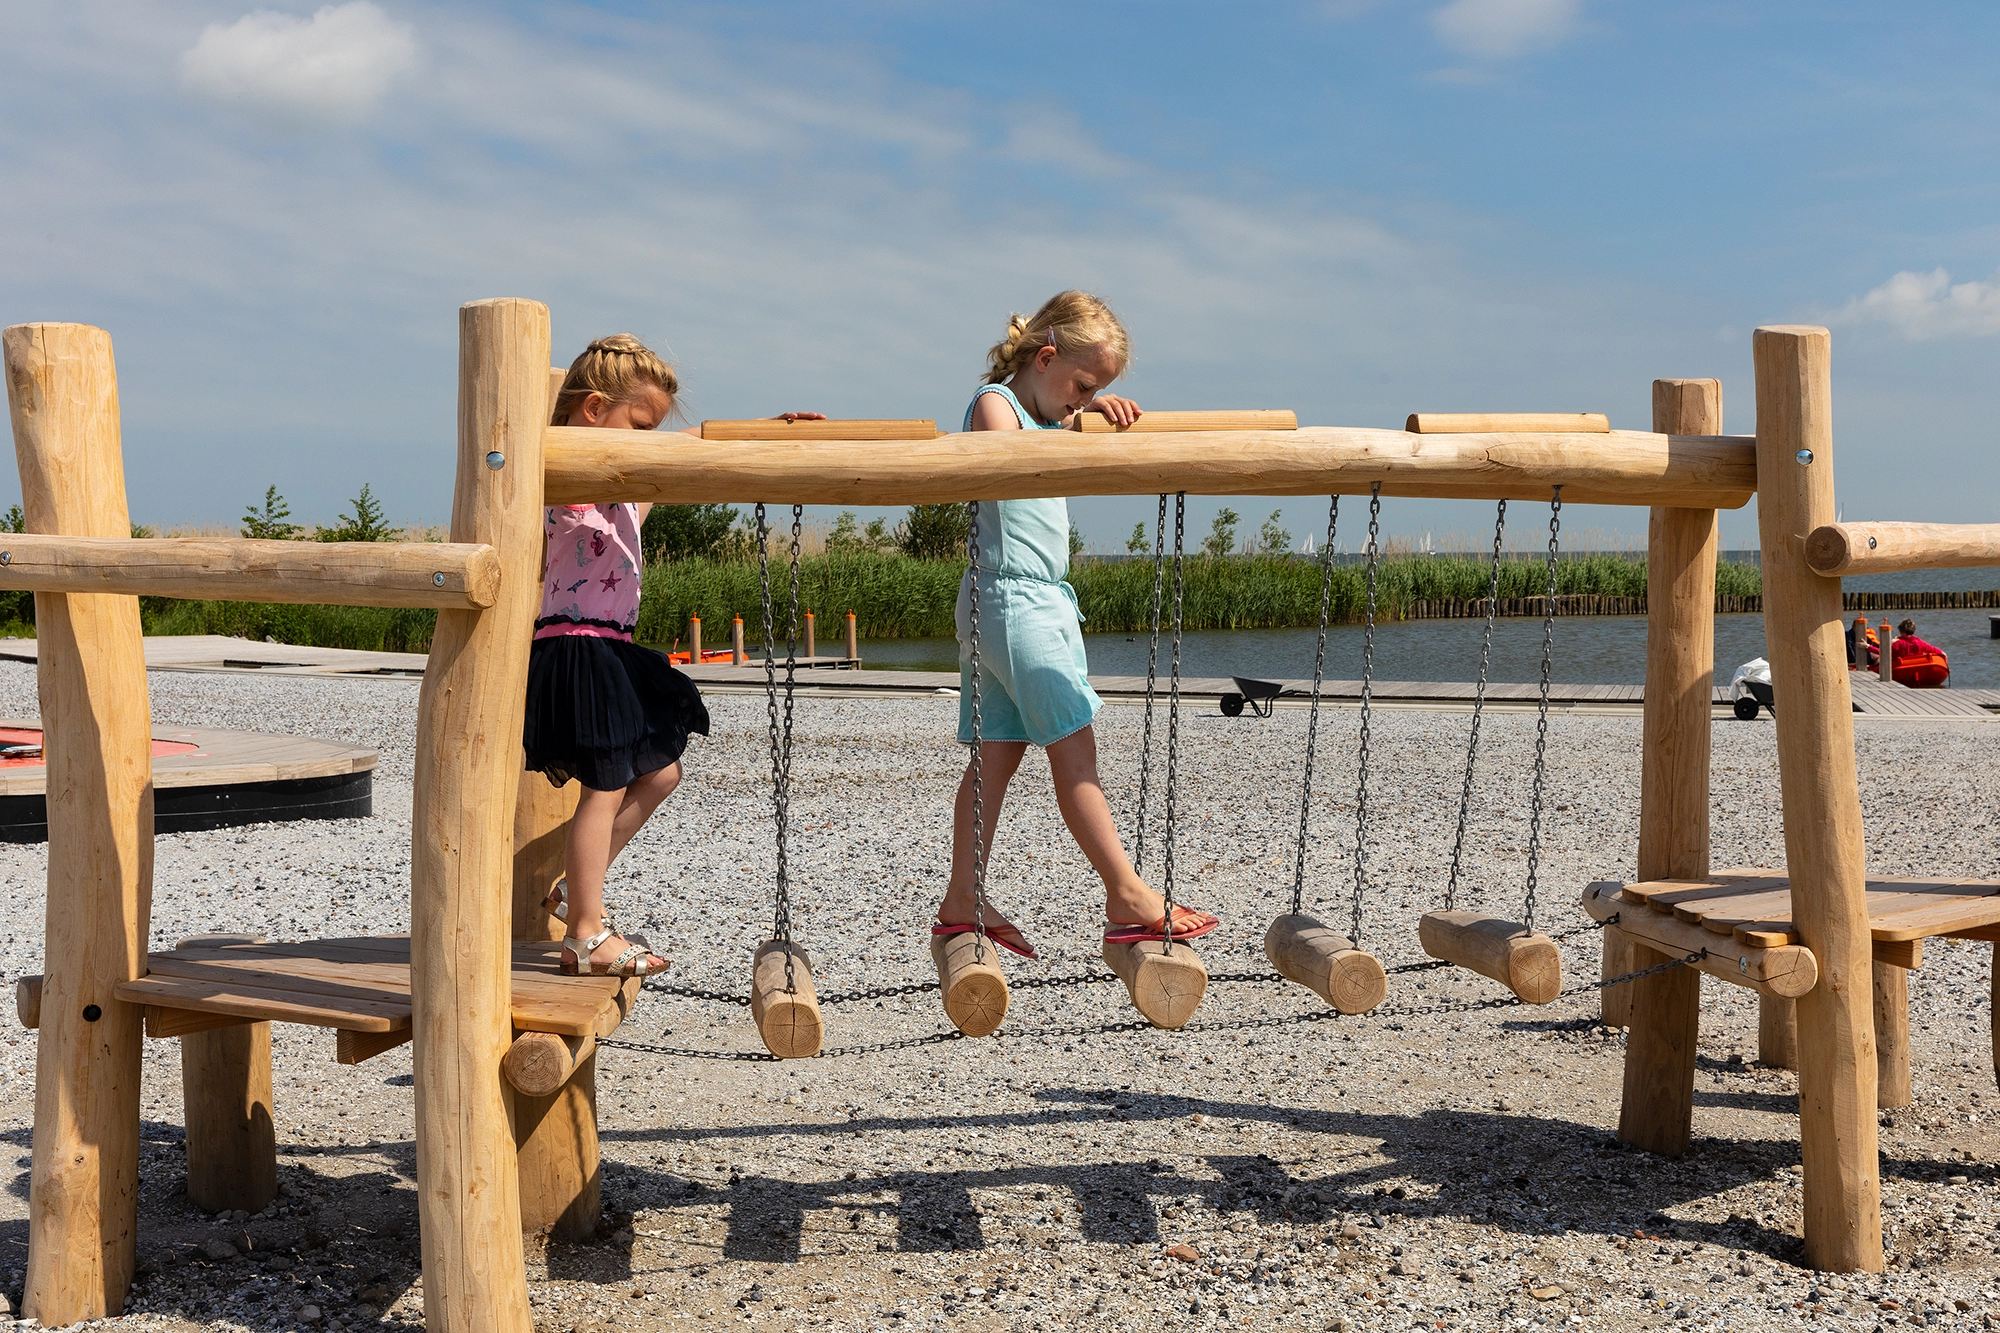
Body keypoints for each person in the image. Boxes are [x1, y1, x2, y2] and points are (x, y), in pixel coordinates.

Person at [930, 291, 1219, 961]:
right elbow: (1015, 466)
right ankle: (1126, 893)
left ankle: (962, 896)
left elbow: (1051, 444)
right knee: (1075, 752)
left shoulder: (1045, 416)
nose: (1083, 399)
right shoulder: (995, 405)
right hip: (1014, 602)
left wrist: (1089, 421)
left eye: (1096, 391)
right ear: (1045, 357)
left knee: (996, 755)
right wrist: (1075, 429)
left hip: (1018, 603)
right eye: (1082, 385)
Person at [527, 334, 820, 976]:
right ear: (593, 408)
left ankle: (577, 890)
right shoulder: (560, 475)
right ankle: (585, 933)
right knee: (604, 787)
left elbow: (690, 446)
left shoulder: (629, 489)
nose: (652, 442)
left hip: (612, 649)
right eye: (641, 427)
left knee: (660, 774)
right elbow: (568, 451)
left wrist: (766, 431)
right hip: (574, 647)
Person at [1889, 618, 1950, 688]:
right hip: (1920, 670)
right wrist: (1946, 667)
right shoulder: (1920, 642)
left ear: (1901, 631)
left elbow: (1882, 654)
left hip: (1900, 671)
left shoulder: (1896, 644)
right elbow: (1943, 654)